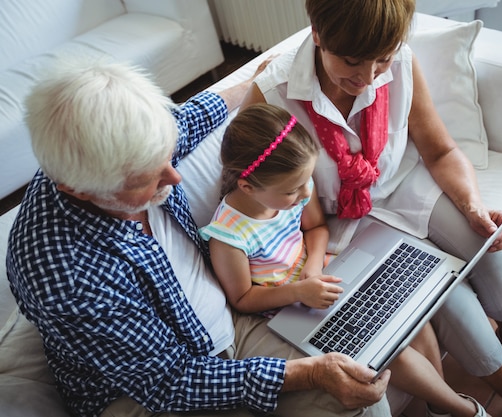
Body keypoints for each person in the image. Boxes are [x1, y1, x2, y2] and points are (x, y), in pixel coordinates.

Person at [6, 59, 393, 417]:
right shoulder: (65, 274)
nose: (173, 179)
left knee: (364, 386)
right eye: (147, 179)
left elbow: (190, 118)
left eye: (167, 155)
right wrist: (309, 373)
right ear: (78, 190)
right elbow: (167, 381)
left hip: (229, 319)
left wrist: (255, 82)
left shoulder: (123, 148)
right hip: (147, 392)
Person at [239, 0, 502, 416]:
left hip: (405, 189)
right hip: (346, 224)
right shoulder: (273, 94)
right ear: (317, 33)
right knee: (451, 302)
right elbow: (253, 191)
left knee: (488, 244)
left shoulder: (402, 64)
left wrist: (474, 206)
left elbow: (441, 150)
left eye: (381, 61)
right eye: (352, 61)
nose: (368, 77)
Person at [200, 102, 490, 417]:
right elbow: (243, 299)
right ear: (248, 187)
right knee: (395, 351)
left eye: (304, 184)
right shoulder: (228, 235)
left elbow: (316, 227)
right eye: (292, 192)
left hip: (321, 277)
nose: (302, 195)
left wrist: (312, 268)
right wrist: (299, 291)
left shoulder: (294, 188)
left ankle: (438, 406)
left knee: (410, 322)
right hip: (285, 309)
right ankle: (467, 411)